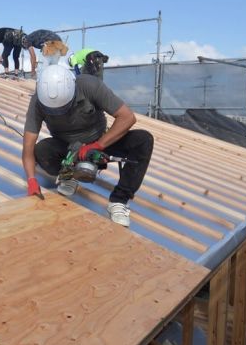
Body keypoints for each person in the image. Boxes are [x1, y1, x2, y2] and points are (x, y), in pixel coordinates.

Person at [22, 64, 153, 226]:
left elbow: (127, 117)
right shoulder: (38, 102)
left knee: (143, 140)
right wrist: (31, 179)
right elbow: (27, 149)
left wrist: (98, 145)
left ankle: (119, 201)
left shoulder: (90, 86)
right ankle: (68, 175)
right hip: (67, 148)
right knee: (41, 150)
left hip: (100, 141)